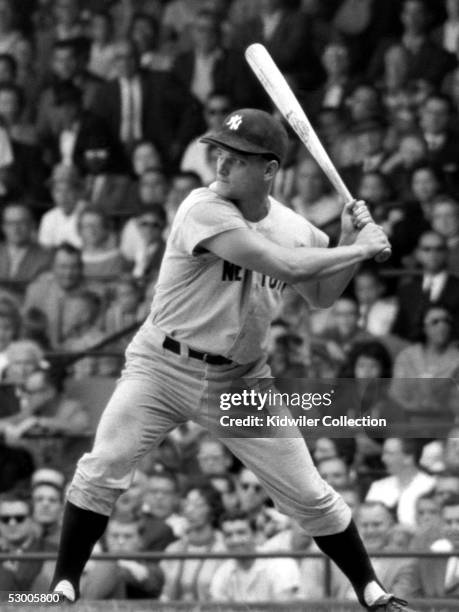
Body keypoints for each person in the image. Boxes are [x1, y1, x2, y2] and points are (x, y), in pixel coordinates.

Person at [50, 108, 410, 611]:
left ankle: (373, 593)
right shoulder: (202, 206)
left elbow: (323, 295)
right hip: (161, 366)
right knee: (103, 465)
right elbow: (279, 262)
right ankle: (61, 588)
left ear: (268, 169)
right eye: (220, 150)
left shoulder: (299, 230)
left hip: (240, 379)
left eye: (238, 157)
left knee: (310, 494)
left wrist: (350, 242)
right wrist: (359, 249)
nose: (221, 162)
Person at [210, 509, 300, 602]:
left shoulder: (281, 564)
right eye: (228, 535)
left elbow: (286, 608)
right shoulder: (223, 572)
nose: (235, 540)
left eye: (241, 533)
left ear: (255, 535)